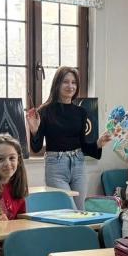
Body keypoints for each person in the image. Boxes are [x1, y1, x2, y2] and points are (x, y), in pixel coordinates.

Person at [26, 67, 111, 208]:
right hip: (55, 166)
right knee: (67, 210)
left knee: (80, 210)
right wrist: (34, 130)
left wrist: (98, 143)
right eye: (65, 82)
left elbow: (83, 145)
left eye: (74, 82)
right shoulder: (44, 111)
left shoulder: (81, 112)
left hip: (78, 164)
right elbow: (36, 148)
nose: (70, 86)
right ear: (57, 84)